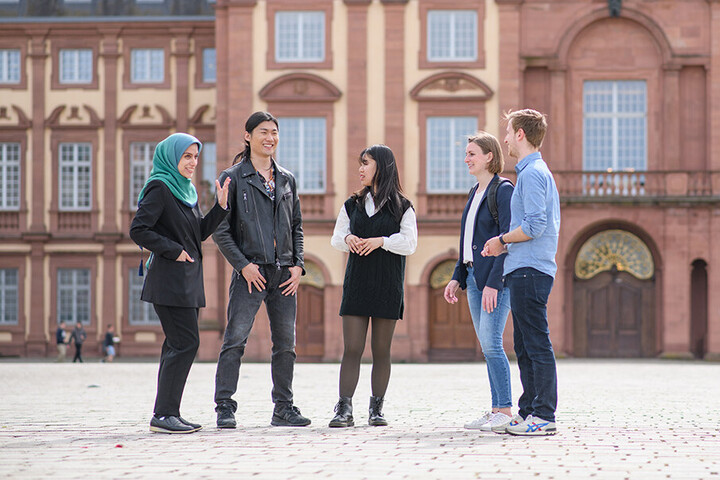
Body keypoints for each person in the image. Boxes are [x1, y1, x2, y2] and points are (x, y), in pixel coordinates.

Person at [212, 111, 309, 429]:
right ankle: (225, 406)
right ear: (248, 136)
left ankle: (284, 407)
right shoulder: (232, 177)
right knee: (235, 340)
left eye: (275, 132)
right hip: (250, 274)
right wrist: (243, 266)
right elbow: (220, 230)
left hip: (284, 273)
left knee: (286, 344)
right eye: (264, 132)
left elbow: (296, 226)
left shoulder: (287, 179)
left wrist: (298, 265)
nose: (270, 138)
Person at [130, 132, 230, 434]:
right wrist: (174, 251)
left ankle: (167, 413)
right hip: (169, 281)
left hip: (187, 282)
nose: (192, 162)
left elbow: (198, 233)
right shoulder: (160, 187)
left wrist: (220, 208)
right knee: (186, 343)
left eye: (195, 157)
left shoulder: (186, 191)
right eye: (186, 156)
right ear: (171, 158)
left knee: (178, 344)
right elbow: (139, 229)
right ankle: (163, 414)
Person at [482, 109, 560, 436]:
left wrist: (501, 240)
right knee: (525, 346)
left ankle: (544, 415)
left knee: (536, 344)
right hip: (523, 268)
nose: (504, 138)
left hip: (530, 269)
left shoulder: (532, 174)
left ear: (520, 135)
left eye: (508, 131)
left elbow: (535, 225)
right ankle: (528, 412)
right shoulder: (530, 172)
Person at [328, 144, 417, 428]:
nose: (360, 169)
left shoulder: (403, 206)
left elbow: (410, 244)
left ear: (381, 165)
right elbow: (337, 237)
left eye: (365, 163)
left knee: (381, 350)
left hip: (387, 285)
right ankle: (344, 409)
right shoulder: (351, 205)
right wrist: (348, 240)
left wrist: (382, 241)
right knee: (352, 348)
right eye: (360, 163)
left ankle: (376, 408)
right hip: (356, 284)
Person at [443, 131, 514, 433]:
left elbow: (509, 240)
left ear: (489, 156)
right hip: (473, 277)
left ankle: (506, 410)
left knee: (493, 344)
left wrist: (494, 283)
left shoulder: (503, 190)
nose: (466, 159)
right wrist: (457, 276)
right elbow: (467, 241)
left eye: (472, 153)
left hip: (493, 280)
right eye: (467, 153)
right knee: (487, 345)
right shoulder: (474, 192)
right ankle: (496, 408)